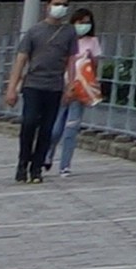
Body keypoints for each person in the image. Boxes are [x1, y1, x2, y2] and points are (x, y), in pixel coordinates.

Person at [10, 4, 79, 181]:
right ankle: (23, 162)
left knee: (47, 129)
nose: (60, 8)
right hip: (33, 84)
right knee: (29, 122)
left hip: (54, 86)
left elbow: (71, 60)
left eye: (64, 4)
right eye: (57, 4)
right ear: (48, 6)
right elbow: (21, 59)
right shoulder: (34, 31)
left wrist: (71, 84)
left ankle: (36, 167)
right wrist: (12, 88)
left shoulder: (69, 32)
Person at [52, 11, 103, 175]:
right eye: (80, 22)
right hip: (62, 87)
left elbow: (94, 66)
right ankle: (47, 155)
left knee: (71, 129)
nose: (84, 26)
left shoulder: (92, 42)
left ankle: (65, 165)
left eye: (87, 22)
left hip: (80, 90)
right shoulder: (65, 39)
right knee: (55, 128)